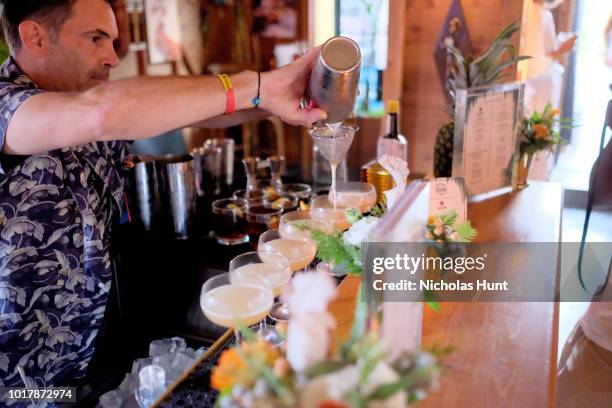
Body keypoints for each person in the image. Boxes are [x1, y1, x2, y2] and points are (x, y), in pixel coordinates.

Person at [0, 0, 326, 390]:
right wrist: (260, 85)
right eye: (96, 38)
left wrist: (273, 99)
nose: (111, 57)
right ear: (34, 36)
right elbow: (100, 114)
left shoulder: (80, 93)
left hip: (93, 345)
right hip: (22, 371)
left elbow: (196, 112)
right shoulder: (8, 106)